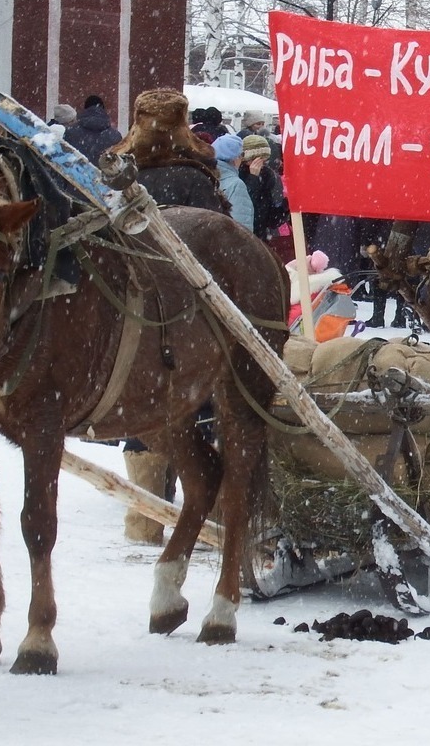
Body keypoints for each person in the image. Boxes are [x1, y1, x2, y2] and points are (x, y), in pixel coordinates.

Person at [108, 89, 228, 543]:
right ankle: (212, 514)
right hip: (188, 307)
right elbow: (222, 242)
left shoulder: (118, 175)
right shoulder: (199, 176)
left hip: (129, 307)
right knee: (201, 395)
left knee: (141, 396)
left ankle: (144, 516)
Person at [239, 134, 288, 241]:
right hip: (244, 235)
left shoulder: (267, 176)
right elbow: (245, 205)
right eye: (257, 159)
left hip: (260, 236)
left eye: (264, 160)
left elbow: (271, 218)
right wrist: (253, 178)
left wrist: (286, 204)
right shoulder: (238, 176)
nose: (261, 164)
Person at [212, 133, 254, 231]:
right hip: (229, 243)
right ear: (235, 158)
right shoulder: (236, 184)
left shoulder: (204, 178)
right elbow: (241, 227)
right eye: (241, 155)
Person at [64, 95, 123, 163]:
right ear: (103, 109)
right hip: (104, 173)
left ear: (85, 109)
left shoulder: (70, 132)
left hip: (76, 173)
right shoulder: (115, 136)